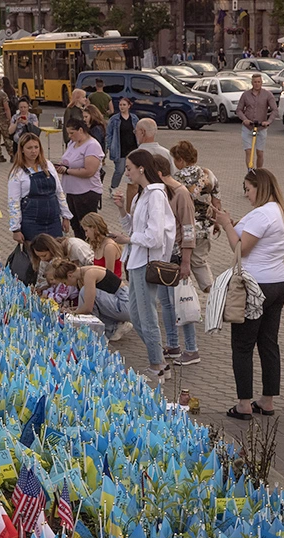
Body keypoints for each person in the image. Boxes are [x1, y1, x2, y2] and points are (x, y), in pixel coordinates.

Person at [212, 168, 284, 420]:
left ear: (260, 187)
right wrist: (231, 224)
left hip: (256, 285)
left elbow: (241, 249)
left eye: (248, 189)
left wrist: (226, 224)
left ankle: (244, 404)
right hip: (279, 282)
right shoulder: (278, 210)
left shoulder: (261, 213)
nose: (246, 194)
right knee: (268, 343)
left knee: (243, 345)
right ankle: (267, 401)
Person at [113, 149, 177, 383]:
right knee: (137, 316)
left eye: (129, 168)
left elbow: (155, 236)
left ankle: (156, 365)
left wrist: (129, 240)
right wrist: (122, 209)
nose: (126, 173)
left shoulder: (156, 195)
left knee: (146, 316)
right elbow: (135, 229)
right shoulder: (142, 195)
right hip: (136, 260)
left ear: (141, 168)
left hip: (147, 262)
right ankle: (159, 361)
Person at [153, 156, 200, 366]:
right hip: (163, 257)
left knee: (181, 302)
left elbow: (189, 228)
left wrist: (186, 261)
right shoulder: (160, 193)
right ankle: (173, 344)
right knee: (166, 303)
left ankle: (192, 348)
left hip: (177, 256)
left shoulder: (180, 193)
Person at [171, 140, 221, 292]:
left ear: (181, 159)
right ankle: (213, 293)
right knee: (200, 262)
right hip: (205, 226)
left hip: (185, 228)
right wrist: (217, 221)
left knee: (181, 263)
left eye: (175, 160)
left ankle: (189, 295)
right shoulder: (208, 174)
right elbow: (217, 200)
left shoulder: (176, 179)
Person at [8, 133, 72, 247]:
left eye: (36, 147)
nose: (33, 151)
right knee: (36, 255)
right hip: (32, 222)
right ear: (22, 150)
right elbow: (14, 202)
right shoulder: (17, 172)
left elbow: (59, 192)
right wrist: (16, 229)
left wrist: (66, 216)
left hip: (53, 220)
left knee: (57, 254)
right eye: (29, 148)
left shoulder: (48, 165)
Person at [49, 259, 133, 341]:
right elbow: (86, 304)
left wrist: (71, 313)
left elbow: (88, 308)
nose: (67, 286)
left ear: (70, 275)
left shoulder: (89, 274)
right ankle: (110, 328)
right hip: (120, 302)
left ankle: (98, 331)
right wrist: (71, 309)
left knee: (84, 291)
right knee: (85, 294)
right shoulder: (84, 273)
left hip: (125, 304)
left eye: (65, 282)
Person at [56, 118, 104, 242]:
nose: (69, 136)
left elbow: (89, 171)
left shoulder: (92, 145)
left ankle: (92, 250)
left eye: (72, 133)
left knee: (87, 227)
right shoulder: (72, 143)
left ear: (81, 130)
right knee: (76, 225)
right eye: (68, 133)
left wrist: (67, 171)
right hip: (71, 191)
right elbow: (69, 161)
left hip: (86, 192)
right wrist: (60, 166)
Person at [236, 73, 278, 169]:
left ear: (261, 82)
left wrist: (268, 121)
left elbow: (275, 110)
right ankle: (250, 172)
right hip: (248, 127)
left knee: (259, 153)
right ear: (252, 83)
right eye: (255, 82)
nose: (257, 84)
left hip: (261, 128)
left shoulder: (267, 94)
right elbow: (239, 110)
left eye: (259, 82)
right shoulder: (245, 95)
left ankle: (259, 173)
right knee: (249, 152)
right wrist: (245, 119)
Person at [106, 97, 139, 189]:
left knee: (133, 170)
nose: (122, 107)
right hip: (119, 149)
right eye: (120, 105)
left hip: (133, 148)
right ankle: (113, 187)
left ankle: (133, 187)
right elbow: (109, 134)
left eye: (124, 105)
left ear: (129, 106)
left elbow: (138, 131)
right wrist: (109, 146)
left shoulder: (134, 118)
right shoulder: (114, 119)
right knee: (119, 170)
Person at [82, 212, 122, 276]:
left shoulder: (109, 246)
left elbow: (109, 275)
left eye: (86, 230)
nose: (86, 235)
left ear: (94, 228)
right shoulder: (98, 244)